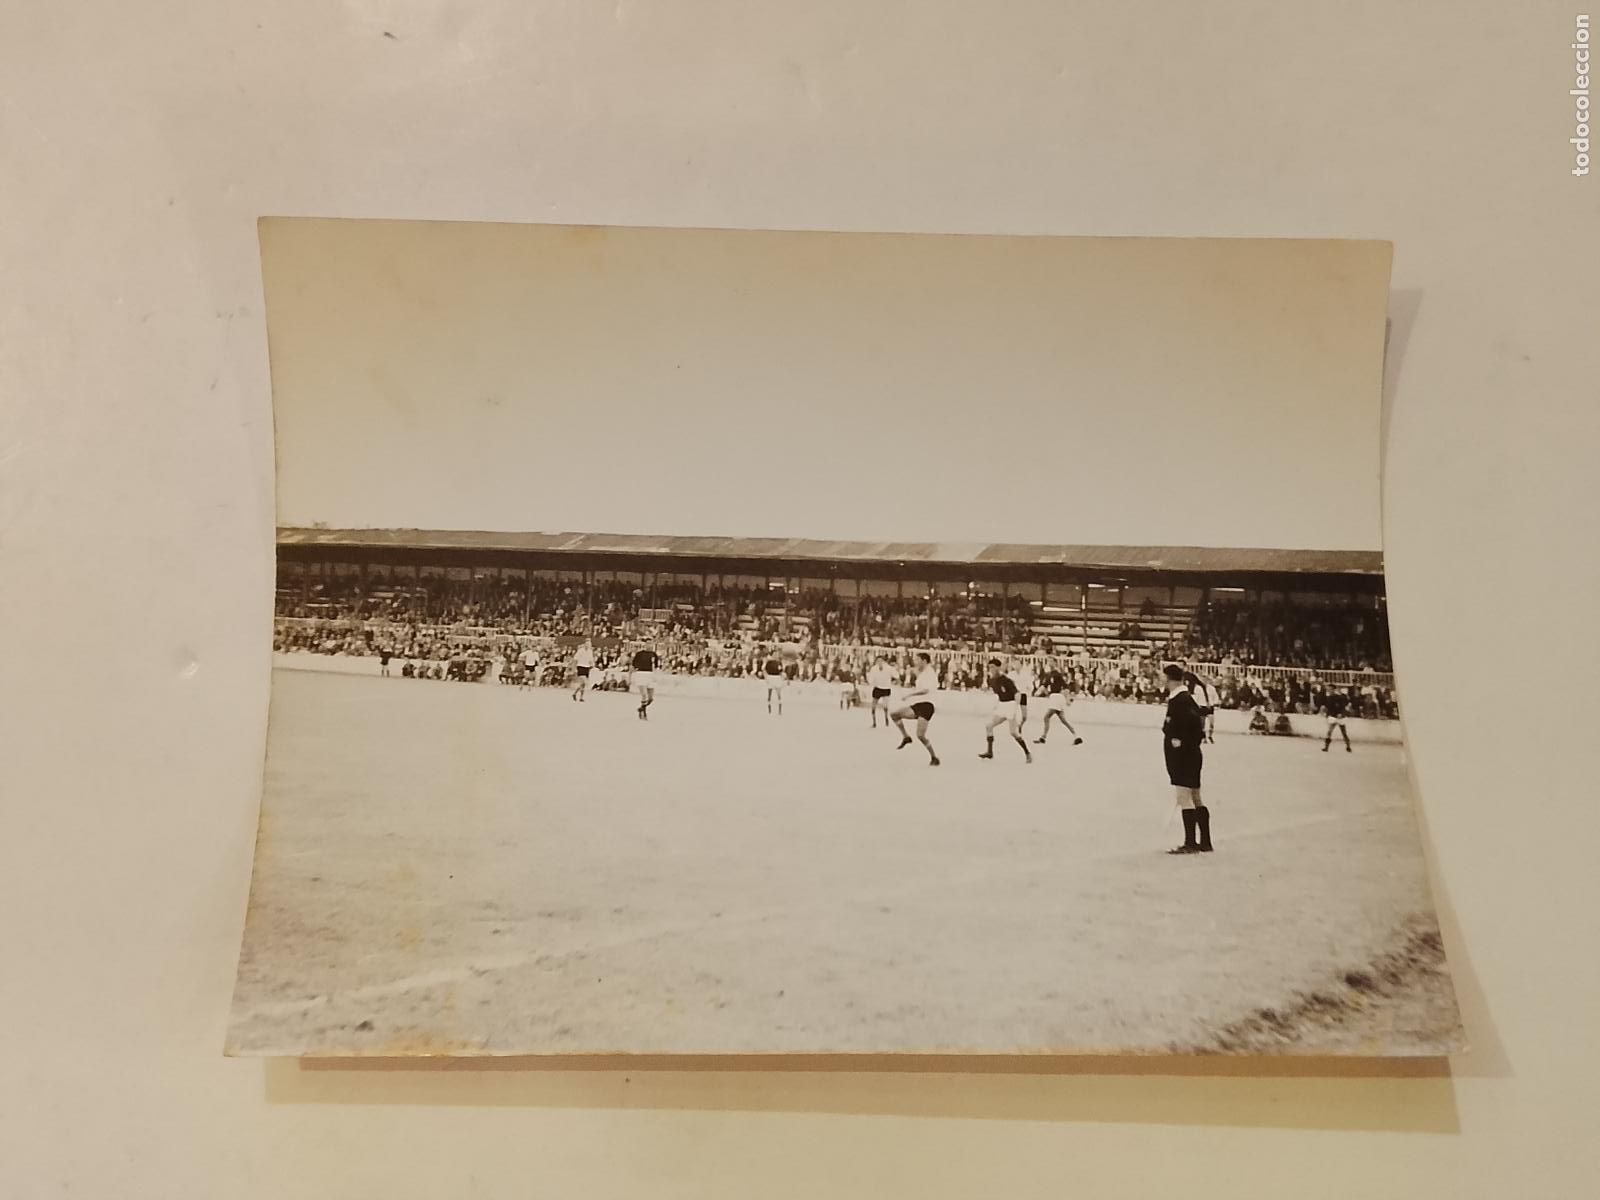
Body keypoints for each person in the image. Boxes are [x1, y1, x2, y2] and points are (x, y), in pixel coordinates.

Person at [1163, 663, 1212, 854]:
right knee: (1195, 796)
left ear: (1169, 679)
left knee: (1184, 797)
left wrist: (1179, 742)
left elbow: (1185, 727)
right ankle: (1205, 841)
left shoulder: (1179, 700)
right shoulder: (1187, 699)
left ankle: (1190, 842)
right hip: (1191, 755)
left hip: (1183, 756)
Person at [890, 652, 942, 766]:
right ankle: (906, 737)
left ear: (924, 661)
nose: (915, 662)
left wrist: (909, 695)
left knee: (920, 735)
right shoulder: (923, 672)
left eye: (917, 660)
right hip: (918, 705)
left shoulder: (930, 673)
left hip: (927, 706)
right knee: (894, 714)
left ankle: (934, 757)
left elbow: (925, 690)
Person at [979, 658, 1032, 763]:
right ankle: (990, 752)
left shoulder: (1007, 680)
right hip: (1002, 705)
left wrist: (1015, 706)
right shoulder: (992, 680)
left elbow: (1017, 694)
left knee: (1013, 732)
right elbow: (997, 693)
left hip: (1010, 705)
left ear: (999, 667)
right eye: (990, 667)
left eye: (993, 667)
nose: (991, 669)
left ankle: (1027, 753)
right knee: (989, 726)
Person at [1035, 667, 1084, 745]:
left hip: (1056, 697)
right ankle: (1077, 736)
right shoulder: (1050, 675)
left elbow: (1065, 687)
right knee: (1063, 720)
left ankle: (1043, 738)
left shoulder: (1056, 675)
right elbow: (1044, 686)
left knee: (1046, 717)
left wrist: (1067, 698)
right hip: (1055, 697)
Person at [630, 641, 659, 720]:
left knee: (650, 698)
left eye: (651, 644)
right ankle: (644, 713)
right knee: (644, 695)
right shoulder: (639, 654)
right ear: (645, 645)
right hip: (641, 674)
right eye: (648, 643)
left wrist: (655, 676)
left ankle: (641, 708)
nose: (650, 645)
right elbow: (633, 666)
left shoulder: (654, 655)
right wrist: (630, 676)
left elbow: (656, 666)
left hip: (650, 674)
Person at [1321, 688, 1353, 752]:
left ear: (1333, 690)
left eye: (1331, 689)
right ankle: (1326, 747)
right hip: (1333, 716)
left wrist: (1341, 714)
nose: (1330, 691)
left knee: (1344, 733)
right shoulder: (1328, 698)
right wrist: (1327, 715)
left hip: (1340, 717)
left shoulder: (1339, 698)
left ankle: (1348, 746)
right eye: (1329, 690)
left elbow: (1343, 707)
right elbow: (1328, 708)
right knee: (1329, 731)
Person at [867, 656, 895, 730]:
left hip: (886, 688)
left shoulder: (889, 668)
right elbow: (870, 679)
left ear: (884, 661)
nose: (879, 663)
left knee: (885, 706)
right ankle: (874, 722)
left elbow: (896, 675)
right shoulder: (874, 669)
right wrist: (873, 683)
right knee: (873, 707)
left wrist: (894, 681)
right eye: (878, 661)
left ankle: (886, 718)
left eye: (881, 661)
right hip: (877, 688)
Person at [1011, 659, 1035, 738]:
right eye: (1015, 664)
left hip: (1023, 694)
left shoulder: (1025, 675)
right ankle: (1014, 728)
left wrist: (1029, 690)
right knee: (1013, 712)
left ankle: (1019, 725)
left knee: (1024, 716)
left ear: (1021, 665)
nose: (1016, 666)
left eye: (1018, 664)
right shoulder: (1011, 675)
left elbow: (1030, 685)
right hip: (1015, 695)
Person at [762, 648, 786, 716]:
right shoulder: (769, 662)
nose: (776, 655)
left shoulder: (779, 662)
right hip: (770, 677)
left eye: (777, 654)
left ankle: (780, 711)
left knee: (779, 694)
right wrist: (766, 677)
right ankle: (769, 711)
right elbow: (764, 670)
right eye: (775, 654)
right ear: (772, 655)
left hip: (777, 678)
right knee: (769, 694)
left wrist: (784, 678)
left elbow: (781, 671)